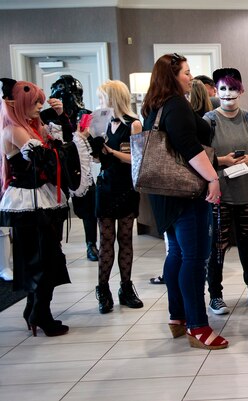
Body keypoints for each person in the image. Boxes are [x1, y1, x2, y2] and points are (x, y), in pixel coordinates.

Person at [141, 53, 228, 350]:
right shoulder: (176, 104)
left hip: (166, 193)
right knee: (195, 257)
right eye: (186, 72)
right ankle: (198, 326)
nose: (190, 77)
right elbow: (189, 147)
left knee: (177, 253)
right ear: (172, 76)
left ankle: (178, 317)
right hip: (185, 192)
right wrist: (213, 178)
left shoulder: (155, 106)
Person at [0, 78, 90, 336]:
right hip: (30, 202)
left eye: (40, 101)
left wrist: (62, 118)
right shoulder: (15, 130)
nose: (39, 106)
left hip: (42, 200)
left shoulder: (30, 128)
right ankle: (40, 313)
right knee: (40, 258)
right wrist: (74, 143)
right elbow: (50, 160)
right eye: (34, 102)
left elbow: (57, 151)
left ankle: (36, 311)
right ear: (18, 104)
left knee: (47, 256)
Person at [203, 68, 248, 315]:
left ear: (241, 90)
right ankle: (216, 295)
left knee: (246, 242)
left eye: (233, 88)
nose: (228, 93)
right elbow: (201, 158)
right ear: (216, 91)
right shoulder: (208, 121)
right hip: (219, 193)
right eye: (223, 89)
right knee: (218, 245)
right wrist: (224, 161)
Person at [91, 80, 144, 314]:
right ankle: (103, 289)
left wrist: (110, 152)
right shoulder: (100, 125)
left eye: (103, 98)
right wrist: (96, 151)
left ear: (113, 98)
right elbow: (96, 160)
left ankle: (126, 287)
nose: (100, 103)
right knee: (105, 241)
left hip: (126, 187)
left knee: (125, 239)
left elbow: (138, 159)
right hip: (105, 186)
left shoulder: (134, 125)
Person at [40, 75, 99, 262]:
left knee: (89, 208)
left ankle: (91, 244)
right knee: (57, 208)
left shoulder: (85, 114)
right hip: (57, 167)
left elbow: (91, 141)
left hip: (81, 166)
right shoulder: (45, 116)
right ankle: (56, 246)